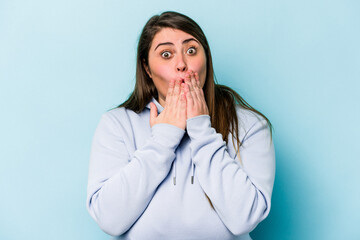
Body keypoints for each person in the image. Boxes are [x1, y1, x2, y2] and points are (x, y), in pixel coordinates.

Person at [86, 11, 275, 240]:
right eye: (166, 54)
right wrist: (164, 137)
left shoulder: (250, 125)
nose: (181, 65)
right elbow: (109, 219)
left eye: (191, 50)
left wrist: (201, 130)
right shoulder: (117, 124)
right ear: (147, 69)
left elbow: (245, 218)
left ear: (206, 59)